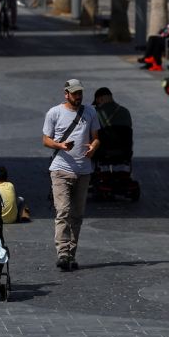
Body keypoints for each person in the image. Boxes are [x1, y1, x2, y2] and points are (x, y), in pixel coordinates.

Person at [42, 79, 100, 271]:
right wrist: (60, 146)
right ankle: (63, 253)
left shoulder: (90, 112)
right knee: (63, 211)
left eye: (80, 93)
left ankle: (71, 254)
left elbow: (96, 138)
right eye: (74, 94)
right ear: (66, 93)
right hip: (60, 169)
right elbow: (46, 140)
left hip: (84, 171)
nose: (78, 97)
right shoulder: (54, 113)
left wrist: (93, 147)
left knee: (77, 215)